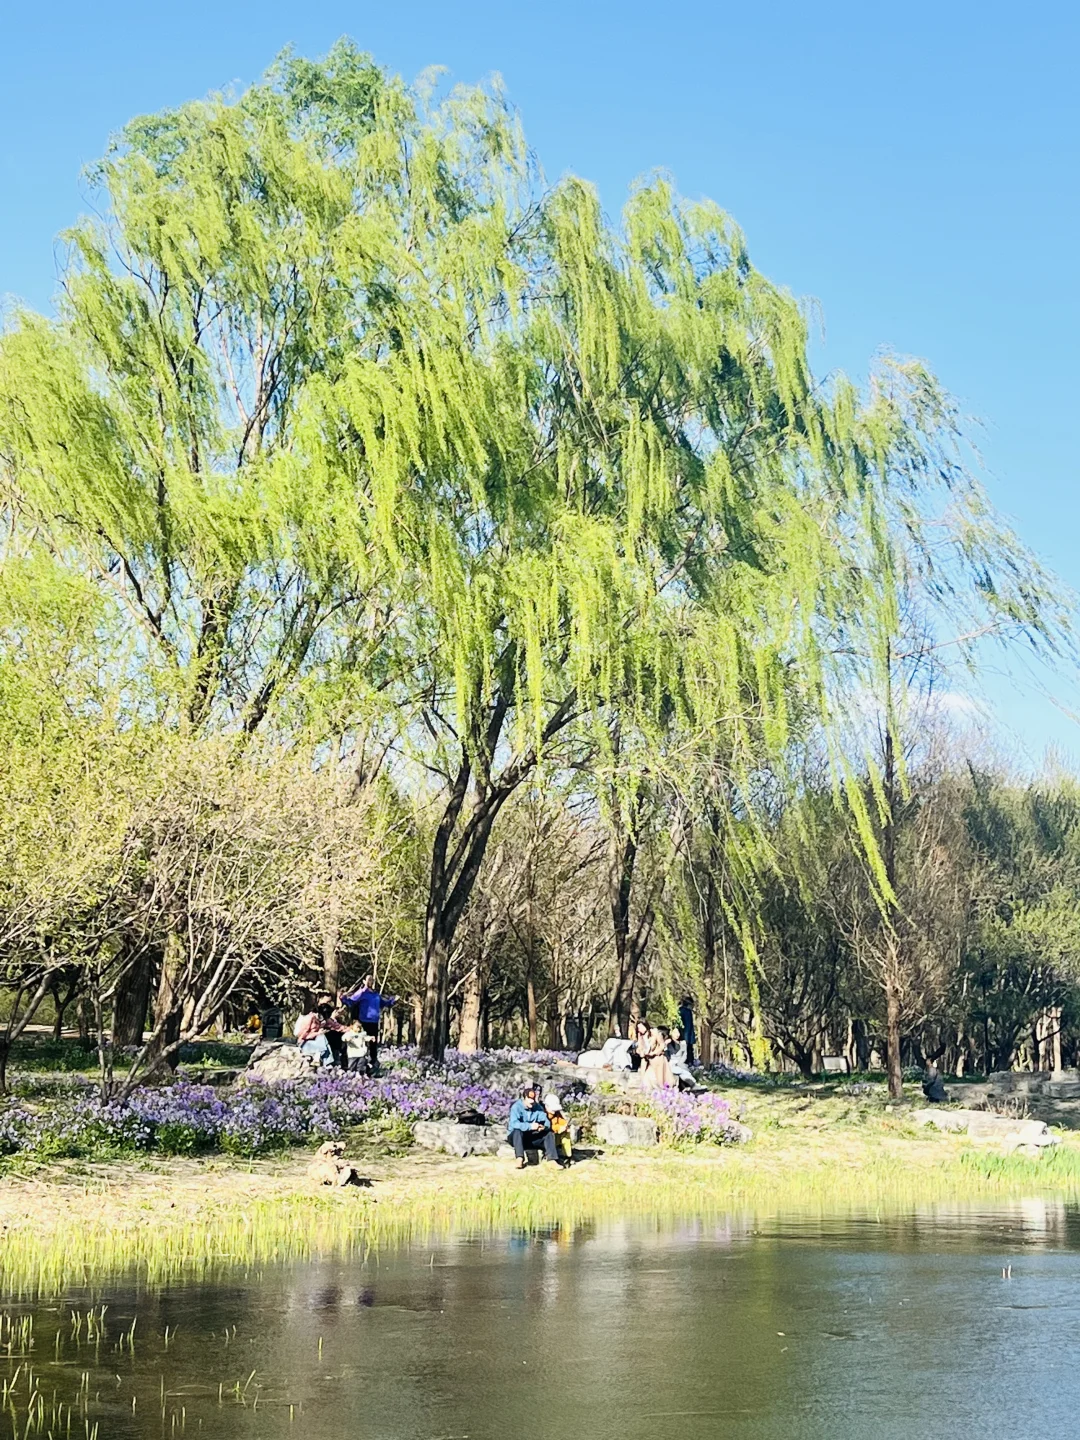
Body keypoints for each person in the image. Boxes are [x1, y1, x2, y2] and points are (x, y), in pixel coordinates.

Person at [340, 975, 396, 1075]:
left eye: (372, 980)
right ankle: (354, 1066)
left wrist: (392, 1000)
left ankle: (373, 1064)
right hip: (363, 1021)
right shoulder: (361, 993)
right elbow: (351, 1002)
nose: (370, 981)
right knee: (360, 1042)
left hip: (374, 1022)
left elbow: (384, 1003)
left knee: (373, 1044)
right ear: (364, 981)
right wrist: (343, 998)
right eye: (368, 980)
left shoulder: (376, 994)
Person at [507, 1084, 559, 1168]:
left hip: (531, 1137)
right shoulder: (516, 1107)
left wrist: (543, 1127)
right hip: (516, 1138)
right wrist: (530, 1126)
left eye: (533, 1099)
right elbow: (514, 1124)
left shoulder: (538, 1107)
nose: (532, 1101)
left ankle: (552, 1160)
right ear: (524, 1098)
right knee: (517, 1131)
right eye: (529, 1099)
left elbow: (546, 1122)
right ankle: (519, 1158)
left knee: (549, 1133)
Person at [295, 997, 345, 1068]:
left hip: (318, 1043)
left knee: (325, 1038)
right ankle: (320, 1059)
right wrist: (317, 1033)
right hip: (306, 1043)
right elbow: (302, 1035)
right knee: (321, 1036)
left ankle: (327, 1061)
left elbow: (337, 1026)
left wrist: (351, 1029)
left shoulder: (323, 1020)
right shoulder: (310, 1018)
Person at [638, 1024, 675, 1089]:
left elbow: (662, 1045)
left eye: (641, 1027)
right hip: (647, 1061)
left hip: (658, 1060)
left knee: (660, 1082)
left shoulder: (655, 1033)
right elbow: (640, 1047)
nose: (640, 1029)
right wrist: (640, 1052)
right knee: (646, 1080)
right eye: (638, 1028)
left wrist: (654, 1053)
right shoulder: (640, 1036)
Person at [543, 1093, 573, 1166]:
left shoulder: (556, 1113)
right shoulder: (542, 1114)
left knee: (566, 1133)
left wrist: (565, 1127)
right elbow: (545, 1127)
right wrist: (558, 1128)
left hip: (556, 1136)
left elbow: (562, 1122)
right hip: (546, 1138)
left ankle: (567, 1156)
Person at [665, 1025, 698, 1091]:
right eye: (675, 1032)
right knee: (681, 1071)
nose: (677, 1034)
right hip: (671, 1063)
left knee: (683, 1069)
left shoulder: (683, 1043)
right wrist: (665, 1044)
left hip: (680, 1062)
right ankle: (693, 1084)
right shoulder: (668, 1043)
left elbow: (684, 1055)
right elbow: (666, 1054)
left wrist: (679, 1063)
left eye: (678, 1032)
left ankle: (689, 1085)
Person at [678, 996, 697, 1066]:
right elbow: (688, 1027)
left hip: (680, 1037)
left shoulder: (679, 1010)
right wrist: (687, 1039)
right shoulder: (687, 1012)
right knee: (688, 1053)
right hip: (687, 1038)